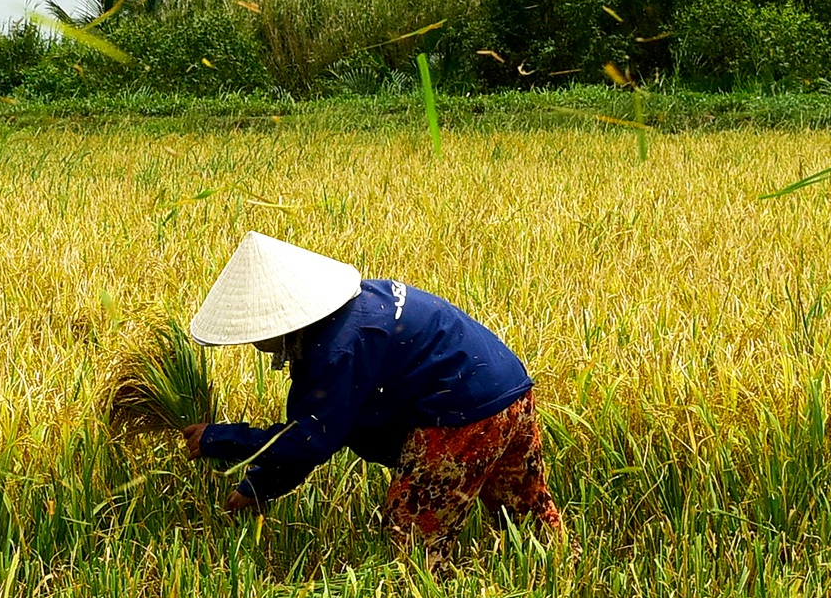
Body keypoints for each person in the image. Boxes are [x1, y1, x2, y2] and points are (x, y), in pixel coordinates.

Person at [165, 231, 562, 553]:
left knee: (412, 532)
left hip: (464, 415)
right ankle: (558, 567)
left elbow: (309, 438)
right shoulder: (359, 306)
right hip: (511, 390)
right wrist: (258, 487)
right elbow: (326, 426)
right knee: (525, 510)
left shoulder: (337, 348)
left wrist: (218, 439)